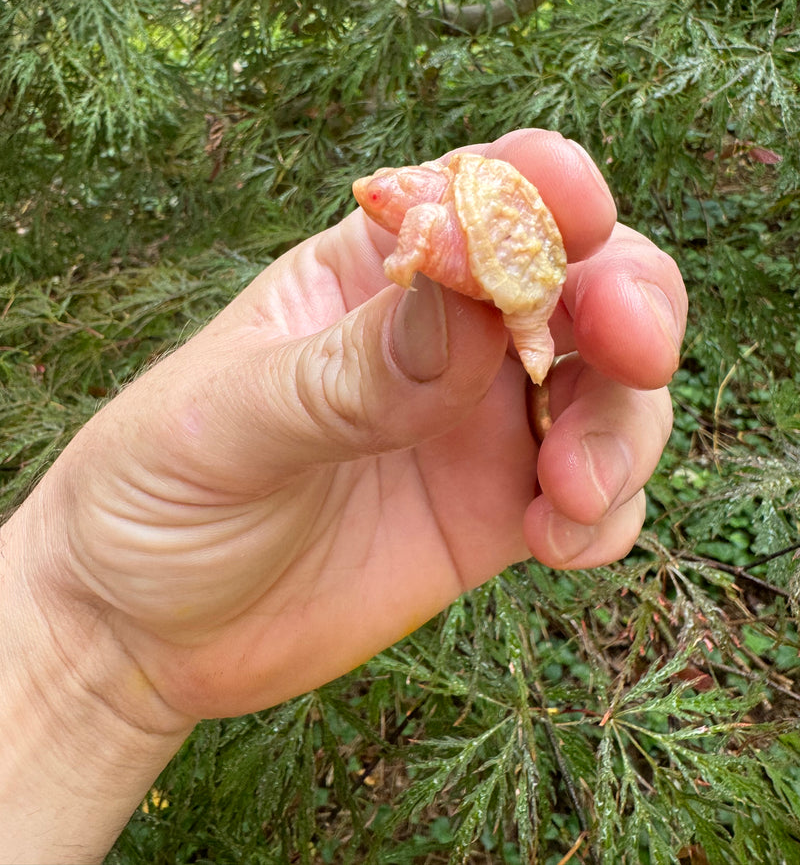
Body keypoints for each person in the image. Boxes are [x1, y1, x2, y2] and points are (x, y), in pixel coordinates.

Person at [0, 129, 687, 864]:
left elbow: (417, 242)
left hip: (511, 280)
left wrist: (91, 639)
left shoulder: (435, 210)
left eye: (381, 193)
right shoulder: (439, 212)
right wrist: (92, 631)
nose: (374, 198)